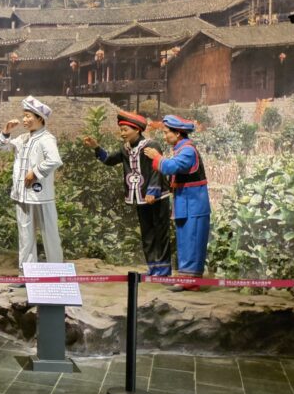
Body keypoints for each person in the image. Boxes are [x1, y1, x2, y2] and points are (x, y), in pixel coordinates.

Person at [82, 110, 172, 277]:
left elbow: (157, 168)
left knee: (160, 233)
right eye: (121, 130)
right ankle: (153, 268)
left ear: (137, 129)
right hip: (141, 198)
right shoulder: (125, 149)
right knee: (147, 234)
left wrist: (152, 191)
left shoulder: (151, 145)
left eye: (125, 130)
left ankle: (164, 270)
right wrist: (96, 147)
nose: (122, 133)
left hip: (157, 197)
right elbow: (109, 160)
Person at [143, 115, 211, 291]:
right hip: (186, 203)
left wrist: (157, 157)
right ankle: (185, 279)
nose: (165, 136)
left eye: (167, 133)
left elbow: (170, 167)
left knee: (192, 241)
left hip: (194, 205)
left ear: (178, 133)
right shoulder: (181, 149)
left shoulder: (188, 151)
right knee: (185, 242)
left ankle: (191, 281)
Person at [0, 95, 63, 268]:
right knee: (25, 236)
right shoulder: (23, 138)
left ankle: (57, 272)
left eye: (28, 116)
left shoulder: (46, 139)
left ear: (40, 118)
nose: (24, 120)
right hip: (22, 195)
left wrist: (35, 173)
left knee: (50, 234)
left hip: (42, 196)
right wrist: (6, 131)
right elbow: (1, 147)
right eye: (24, 116)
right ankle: (26, 272)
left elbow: (54, 160)